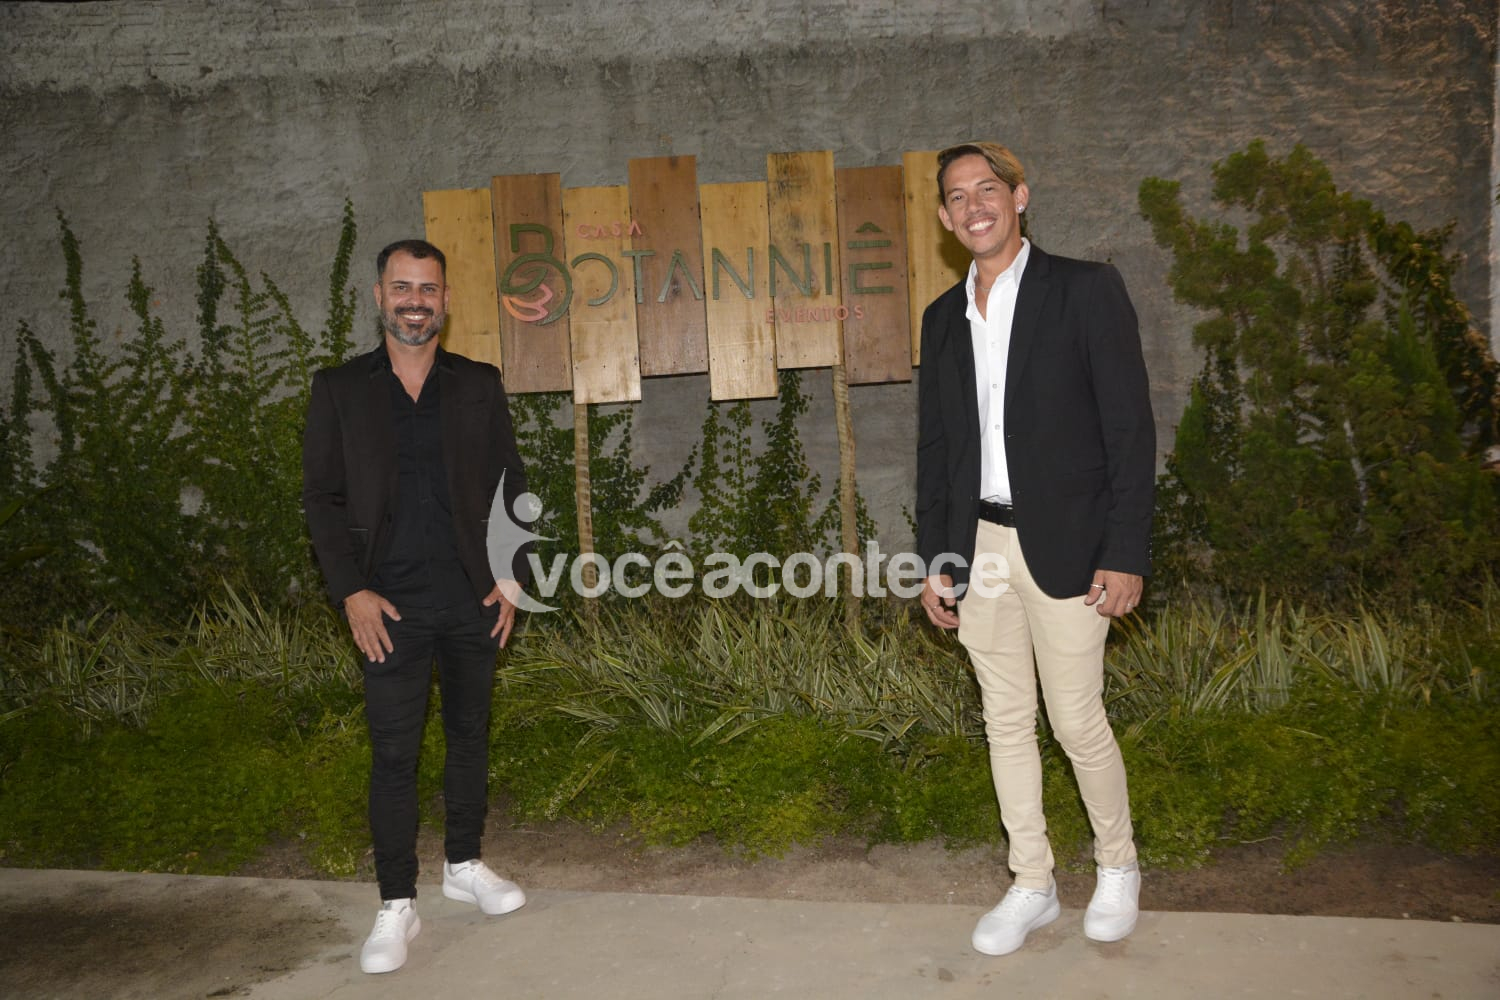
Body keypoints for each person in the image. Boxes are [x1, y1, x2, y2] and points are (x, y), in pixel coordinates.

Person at [915, 142, 1155, 956]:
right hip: (977, 543)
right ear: (944, 217)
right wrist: (936, 559)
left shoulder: (1085, 290)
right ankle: (1032, 882)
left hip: (1071, 544)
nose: (974, 205)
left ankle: (1118, 865)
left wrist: (1125, 549)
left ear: (1019, 197)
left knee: (1076, 718)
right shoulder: (943, 318)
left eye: (988, 188)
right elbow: (938, 451)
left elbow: (1130, 431)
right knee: (1005, 721)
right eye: (958, 196)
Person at [303, 238, 533, 974]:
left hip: (472, 598)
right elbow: (322, 499)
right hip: (387, 606)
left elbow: (510, 483)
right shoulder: (339, 389)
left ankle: (463, 864)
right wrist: (350, 591)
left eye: (428, 289)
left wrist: (514, 575)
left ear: (445, 300)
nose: (415, 301)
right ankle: (397, 903)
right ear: (379, 296)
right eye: (402, 287)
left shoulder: (478, 384)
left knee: (470, 736)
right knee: (394, 753)